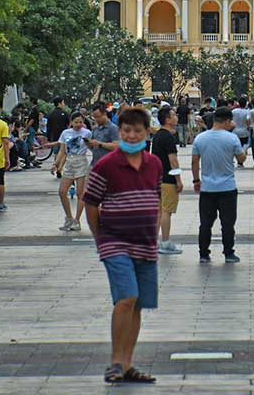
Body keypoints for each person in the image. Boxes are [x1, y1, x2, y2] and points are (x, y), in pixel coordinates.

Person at [83, 107, 160, 385]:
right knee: (126, 298)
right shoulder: (106, 165)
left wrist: (155, 231)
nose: (131, 135)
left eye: (137, 130)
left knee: (137, 304)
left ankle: (127, 364)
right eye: (126, 130)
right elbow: (90, 202)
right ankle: (115, 362)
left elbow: (156, 197)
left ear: (147, 132)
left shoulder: (154, 163)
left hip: (146, 243)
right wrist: (99, 237)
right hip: (115, 241)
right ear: (120, 131)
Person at [191, 106, 246, 263]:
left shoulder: (200, 138)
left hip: (207, 188)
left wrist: (196, 180)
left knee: (205, 223)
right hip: (227, 188)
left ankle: (203, 254)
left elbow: (194, 162)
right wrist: (244, 152)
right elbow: (241, 159)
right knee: (227, 223)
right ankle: (229, 253)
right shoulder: (232, 138)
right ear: (227, 121)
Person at [53, 111, 94, 231]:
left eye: (81, 122)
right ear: (71, 122)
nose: (78, 124)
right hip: (69, 162)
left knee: (80, 193)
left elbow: (92, 147)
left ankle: (77, 220)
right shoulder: (65, 133)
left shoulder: (87, 133)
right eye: (76, 122)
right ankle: (69, 218)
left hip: (81, 161)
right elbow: (62, 150)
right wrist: (56, 164)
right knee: (62, 191)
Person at [151, 106, 184, 254]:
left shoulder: (158, 135)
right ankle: (165, 243)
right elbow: (173, 161)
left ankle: (155, 242)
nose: (176, 117)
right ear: (168, 119)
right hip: (167, 179)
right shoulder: (168, 137)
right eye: (174, 115)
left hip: (157, 178)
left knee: (159, 210)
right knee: (166, 211)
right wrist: (178, 180)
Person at [89, 102, 120, 166]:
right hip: (96, 164)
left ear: (104, 114)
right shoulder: (95, 129)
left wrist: (99, 143)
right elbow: (93, 147)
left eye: (98, 117)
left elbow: (116, 146)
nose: (96, 120)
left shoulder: (113, 128)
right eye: (94, 117)